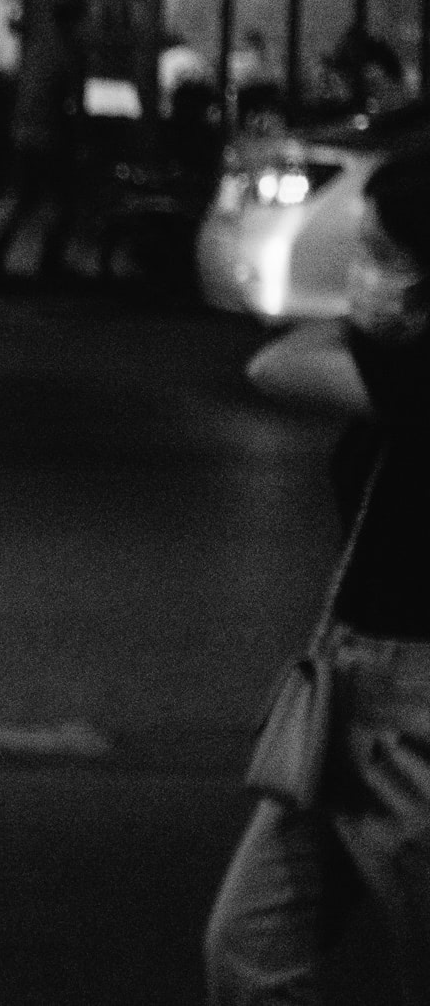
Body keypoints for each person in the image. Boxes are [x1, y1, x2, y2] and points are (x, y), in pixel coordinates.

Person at [204, 148, 430, 1003]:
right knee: (248, 948)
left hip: (416, 713)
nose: (359, 271)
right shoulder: (400, 361)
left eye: (383, 252)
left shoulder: (415, 376)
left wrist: (362, 321)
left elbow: (277, 365)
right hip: (345, 689)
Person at [0, 0, 89, 282]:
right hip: (50, 135)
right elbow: (74, 102)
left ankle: (0, 245)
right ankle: (50, 260)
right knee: (65, 200)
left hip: (24, 132)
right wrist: (82, 140)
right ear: (75, 21)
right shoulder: (71, 52)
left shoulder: (38, 48)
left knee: (28, 197)